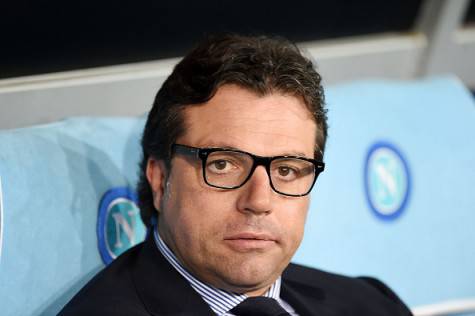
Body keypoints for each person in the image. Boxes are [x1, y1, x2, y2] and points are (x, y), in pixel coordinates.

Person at [59, 34, 413, 315]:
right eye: (223, 164)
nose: (258, 201)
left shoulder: (369, 304)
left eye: (287, 169)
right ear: (160, 179)